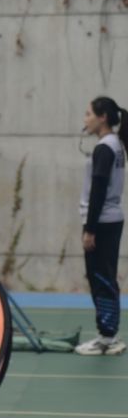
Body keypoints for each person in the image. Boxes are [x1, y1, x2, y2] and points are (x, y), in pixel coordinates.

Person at [76, 97, 128, 356]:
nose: (85, 119)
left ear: (103, 117)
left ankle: (107, 337)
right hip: (111, 220)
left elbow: (98, 191)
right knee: (106, 278)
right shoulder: (115, 144)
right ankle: (109, 334)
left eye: (88, 114)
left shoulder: (104, 148)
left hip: (102, 223)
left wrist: (90, 229)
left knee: (101, 280)